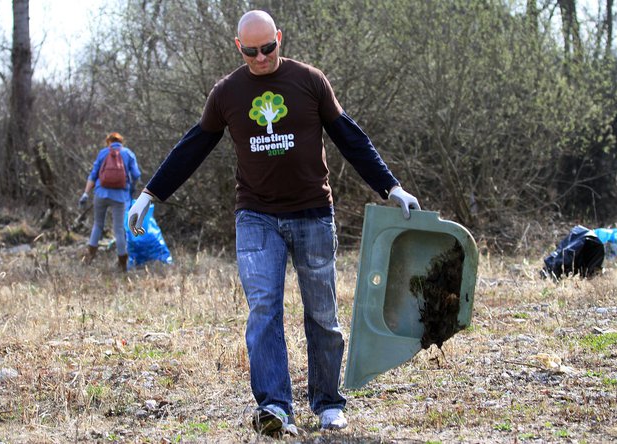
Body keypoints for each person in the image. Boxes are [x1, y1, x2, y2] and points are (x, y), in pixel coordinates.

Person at [128, 10, 419, 436]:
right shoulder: (226, 93)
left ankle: (328, 403)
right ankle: (275, 407)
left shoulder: (310, 81)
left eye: (268, 48)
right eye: (251, 51)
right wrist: (149, 194)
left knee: (322, 313)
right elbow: (194, 146)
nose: (261, 57)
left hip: (313, 213)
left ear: (279, 39)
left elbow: (350, 137)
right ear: (238, 47)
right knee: (264, 311)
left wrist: (390, 187)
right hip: (256, 217)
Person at [79, 132, 141, 271]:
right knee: (119, 229)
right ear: (121, 142)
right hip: (120, 196)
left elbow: (93, 175)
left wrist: (85, 193)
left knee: (97, 225)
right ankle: (122, 264)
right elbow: (137, 175)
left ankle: (89, 259)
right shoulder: (128, 154)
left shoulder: (103, 153)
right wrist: (132, 188)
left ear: (109, 142)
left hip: (101, 194)